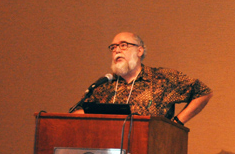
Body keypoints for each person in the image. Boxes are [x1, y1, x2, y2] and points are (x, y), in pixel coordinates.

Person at [71, 32, 213, 124]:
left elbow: (203, 92)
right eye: (113, 47)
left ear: (140, 51)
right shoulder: (105, 85)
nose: (117, 50)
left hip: (152, 153)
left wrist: (177, 123)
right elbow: (79, 112)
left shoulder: (161, 78)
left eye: (123, 45)